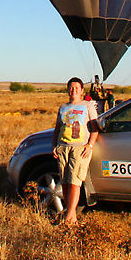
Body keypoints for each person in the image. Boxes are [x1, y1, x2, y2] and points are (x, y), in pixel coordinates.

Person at [52, 76, 99, 225]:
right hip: (63, 147)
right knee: (65, 182)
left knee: (74, 182)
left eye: (76, 88)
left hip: (79, 148)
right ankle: (71, 215)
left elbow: (95, 129)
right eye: (71, 88)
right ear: (67, 90)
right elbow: (57, 129)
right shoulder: (63, 107)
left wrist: (89, 145)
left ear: (82, 90)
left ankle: (69, 215)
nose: (73, 91)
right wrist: (54, 146)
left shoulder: (88, 106)